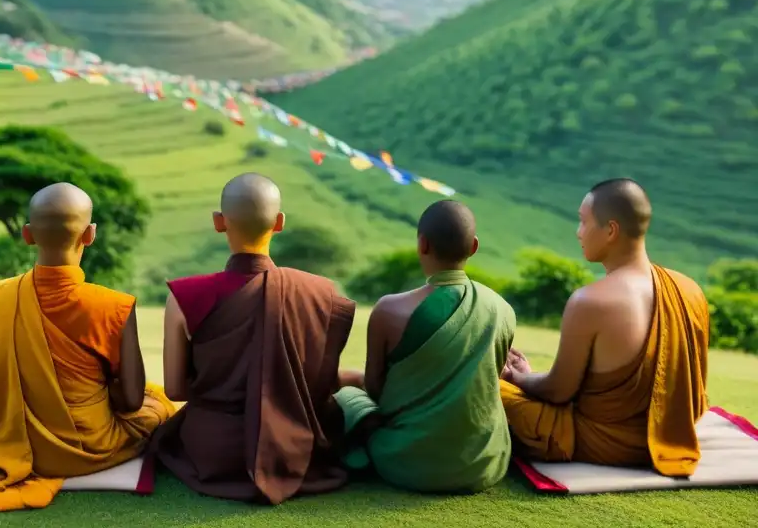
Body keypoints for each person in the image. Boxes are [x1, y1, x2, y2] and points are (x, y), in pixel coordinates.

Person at [0, 183, 175, 511]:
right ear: (90, 234)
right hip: (85, 448)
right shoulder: (111, 306)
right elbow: (130, 402)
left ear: (27, 235)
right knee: (157, 404)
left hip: (5, 443)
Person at [151, 173, 356, 505]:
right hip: (294, 448)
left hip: (215, 450)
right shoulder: (320, 293)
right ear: (279, 223)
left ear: (219, 222)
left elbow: (175, 390)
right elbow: (321, 386)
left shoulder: (185, 296)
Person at [501, 179, 710, 476]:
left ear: (610, 230)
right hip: (671, 434)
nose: (578, 232)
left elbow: (560, 392)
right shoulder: (689, 289)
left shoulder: (590, 301)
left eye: (583, 222)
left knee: (483, 385)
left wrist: (518, 378)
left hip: (603, 442)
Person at [334, 200, 515, 493]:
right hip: (483, 464)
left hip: (404, 462)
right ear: (474, 246)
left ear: (422, 244)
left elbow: (377, 391)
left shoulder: (389, 309)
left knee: (346, 395)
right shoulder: (501, 308)